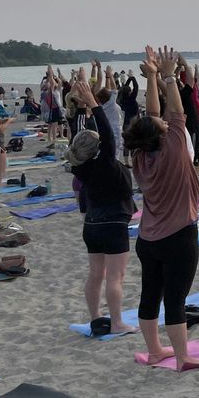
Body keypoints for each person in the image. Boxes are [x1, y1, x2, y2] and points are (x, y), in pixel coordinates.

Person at [124, 46, 199, 370]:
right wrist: (170, 77)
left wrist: (152, 77)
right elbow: (174, 112)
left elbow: (154, 115)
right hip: (178, 236)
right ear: (162, 133)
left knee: (150, 295)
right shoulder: (174, 148)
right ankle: (183, 357)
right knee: (175, 300)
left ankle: (156, 350)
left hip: (148, 240)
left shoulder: (140, 157)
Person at [66, 79, 136, 335]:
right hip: (113, 223)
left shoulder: (80, 166)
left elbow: (87, 138)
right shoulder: (105, 162)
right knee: (115, 277)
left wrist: (85, 109)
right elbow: (107, 134)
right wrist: (94, 105)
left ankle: (96, 318)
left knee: (96, 274)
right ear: (96, 148)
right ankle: (117, 323)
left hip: (92, 225)